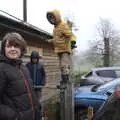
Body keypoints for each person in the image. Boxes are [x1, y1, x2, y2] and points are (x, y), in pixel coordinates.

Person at [0, 32, 41, 120]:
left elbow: (30, 93)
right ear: (3, 49)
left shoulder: (23, 68)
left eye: (16, 46)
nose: (12, 49)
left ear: (21, 48)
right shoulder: (1, 69)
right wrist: (14, 117)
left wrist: (39, 111)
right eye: (8, 46)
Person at [46, 9, 76, 82]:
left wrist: (73, 41)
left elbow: (70, 34)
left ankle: (66, 80)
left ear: (57, 17)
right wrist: (50, 41)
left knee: (64, 65)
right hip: (59, 50)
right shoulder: (55, 28)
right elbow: (56, 39)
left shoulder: (63, 25)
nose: (51, 20)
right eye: (50, 19)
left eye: (53, 18)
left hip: (65, 49)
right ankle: (64, 79)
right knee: (61, 66)